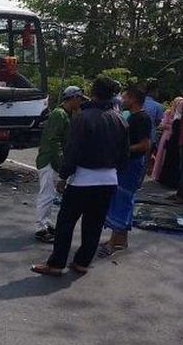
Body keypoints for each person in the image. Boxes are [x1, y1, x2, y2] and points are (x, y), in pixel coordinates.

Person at [32, 76, 129, 276]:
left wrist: (64, 176)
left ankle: (57, 263)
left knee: (66, 222)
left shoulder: (83, 118)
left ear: (94, 92)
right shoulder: (120, 120)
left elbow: (74, 151)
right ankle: (82, 262)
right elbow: (124, 154)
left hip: (84, 179)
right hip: (109, 180)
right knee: (94, 224)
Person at [99, 86, 152, 256]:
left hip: (132, 164)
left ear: (133, 99)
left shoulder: (142, 118)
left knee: (122, 200)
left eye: (125, 96)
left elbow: (145, 144)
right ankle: (120, 239)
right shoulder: (133, 116)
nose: (122, 99)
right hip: (127, 163)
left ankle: (116, 240)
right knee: (121, 199)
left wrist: (124, 150)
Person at [34, 86, 86, 243]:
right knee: (47, 194)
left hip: (53, 159)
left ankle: (46, 222)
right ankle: (40, 227)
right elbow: (53, 141)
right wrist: (61, 163)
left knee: (50, 194)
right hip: (50, 160)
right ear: (73, 98)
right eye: (80, 99)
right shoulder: (59, 114)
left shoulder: (66, 114)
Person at [152, 97, 183, 182]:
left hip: (175, 137)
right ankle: (158, 174)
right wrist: (172, 127)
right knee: (161, 154)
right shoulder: (168, 112)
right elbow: (162, 125)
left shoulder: (182, 114)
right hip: (167, 135)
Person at [144, 78, 165, 147]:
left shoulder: (138, 102)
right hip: (150, 137)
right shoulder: (158, 106)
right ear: (154, 91)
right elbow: (158, 123)